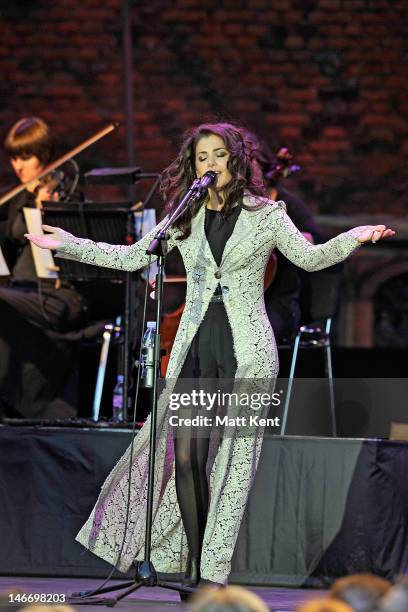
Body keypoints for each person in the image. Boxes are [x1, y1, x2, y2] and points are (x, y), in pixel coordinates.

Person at [26, 122, 395, 587]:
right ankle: (195, 567)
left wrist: (355, 237)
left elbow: (312, 258)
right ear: (192, 165)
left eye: (219, 155)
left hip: (247, 354)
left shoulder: (267, 214)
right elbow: (135, 256)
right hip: (198, 347)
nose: (211, 164)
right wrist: (70, 246)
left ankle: (211, 574)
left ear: (235, 160)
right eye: (202, 157)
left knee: (231, 471)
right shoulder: (186, 214)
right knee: (185, 461)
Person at [0, 117, 86, 419]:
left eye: (26, 156)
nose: (19, 166)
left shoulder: (66, 193)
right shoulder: (16, 197)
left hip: (56, 293)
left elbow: (66, 255)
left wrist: (43, 208)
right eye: (14, 157)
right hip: (17, 290)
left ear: (45, 155)